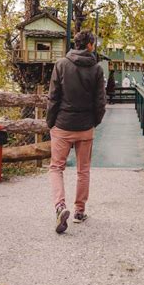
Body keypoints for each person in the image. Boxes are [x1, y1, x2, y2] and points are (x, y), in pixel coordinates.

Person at [46, 29, 106, 234]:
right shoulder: (97, 69)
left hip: (63, 124)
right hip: (85, 126)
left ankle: (60, 206)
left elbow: (53, 97)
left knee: (56, 168)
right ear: (89, 45)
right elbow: (100, 101)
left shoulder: (61, 64)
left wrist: (50, 122)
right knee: (83, 170)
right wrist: (94, 122)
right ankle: (80, 211)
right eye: (94, 43)